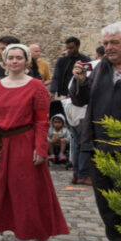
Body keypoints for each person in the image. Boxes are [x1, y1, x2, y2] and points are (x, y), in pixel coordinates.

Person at [0, 44, 69, 241]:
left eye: (19, 57)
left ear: (26, 61)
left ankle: (37, 229)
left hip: (24, 141)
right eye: (11, 57)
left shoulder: (36, 87)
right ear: (5, 60)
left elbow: (42, 121)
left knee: (27, 188)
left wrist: (40, 148)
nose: (14, 61)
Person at [69, 21, 121, 241]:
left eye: (114, 42)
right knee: (107, 202)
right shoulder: (100, 68)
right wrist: (80, 81)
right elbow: (80, 100)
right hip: (100, 147)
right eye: (106, 43)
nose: (108, 48)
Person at [51, 37, 92, 183]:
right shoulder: (63, 60)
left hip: (79, 101)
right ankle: (79, 172)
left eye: (72, 48)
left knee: (78, 136)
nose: (69, 50)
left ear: (78, 46)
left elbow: (88, 78)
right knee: (76, 136)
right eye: (68, 47)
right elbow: (57, 76)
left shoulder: (85, 60)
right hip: (65, 99)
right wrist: (53, 91)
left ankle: (79, 171)